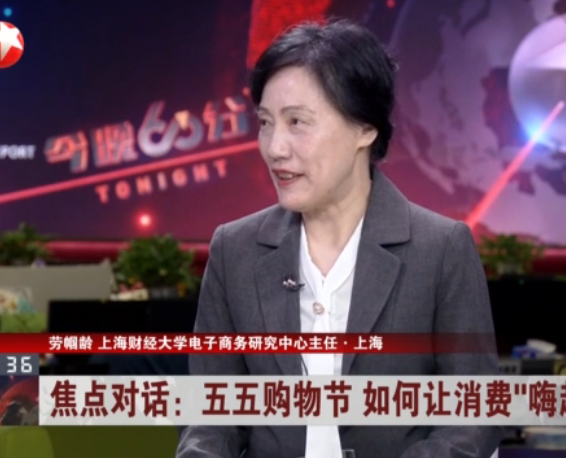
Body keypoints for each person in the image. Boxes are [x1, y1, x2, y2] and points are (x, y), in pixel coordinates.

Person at [177, 18, 501, 458]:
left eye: (297, 122)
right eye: (266, 123)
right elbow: (210, 416)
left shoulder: (440, 249)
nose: (275, 148)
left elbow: (472, 418)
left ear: (365, 128)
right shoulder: (234, 250)